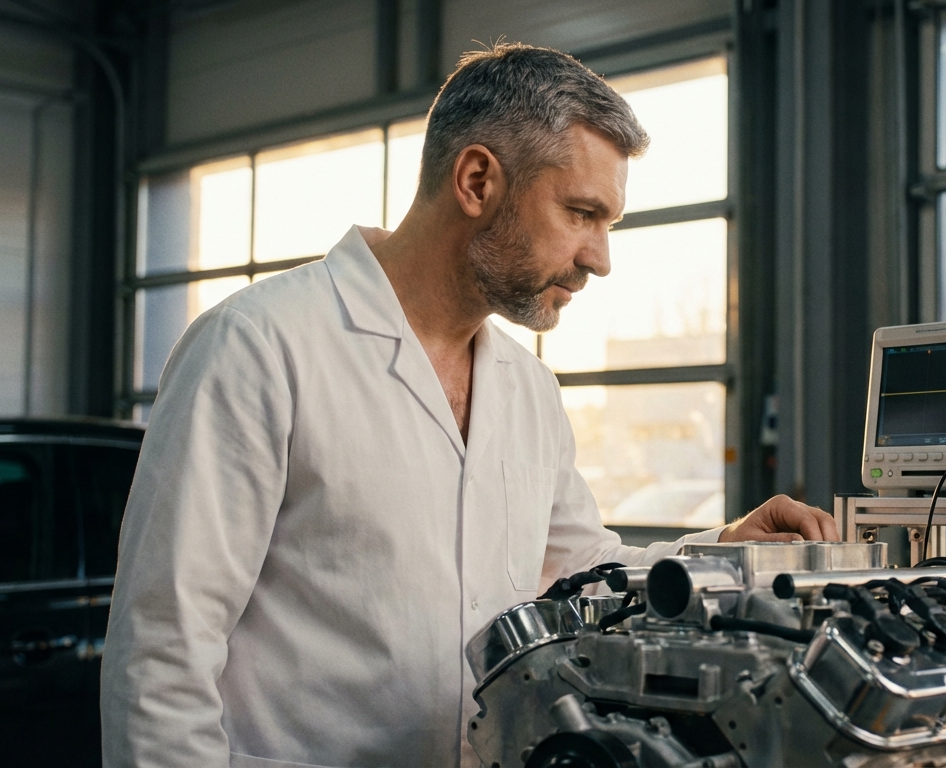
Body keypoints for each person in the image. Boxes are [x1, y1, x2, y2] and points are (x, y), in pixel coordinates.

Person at [101, 43, 835, 768]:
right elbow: (163, 653)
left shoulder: (527, 388)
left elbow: (581, 571)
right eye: (581, 213)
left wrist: (723, 551)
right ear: (478, 180)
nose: (600, 258)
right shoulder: (258, 346)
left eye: (607, 224)